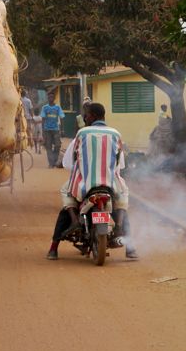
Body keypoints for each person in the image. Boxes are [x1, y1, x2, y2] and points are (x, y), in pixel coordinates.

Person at [46, 102, 138, 260]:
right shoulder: (116, 134)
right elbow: (119, 164)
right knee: (122, 198)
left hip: (85, 184)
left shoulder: (82, 134)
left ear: (93, 116)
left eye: (86, 115)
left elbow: (70, 162)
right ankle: (129, 247)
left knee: (67, 195)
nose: (85, 118)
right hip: (110, 184)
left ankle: (55, 246)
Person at [40, 92, 65, 168]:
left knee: (57, 145)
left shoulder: (58, 107)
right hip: (47, 130)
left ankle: (54, 160)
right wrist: (43, 131)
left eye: (52, 97)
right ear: (48, 98)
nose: (50, 98)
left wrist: (62, 129)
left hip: (56, 129)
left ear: (54, 98)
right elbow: (43, 119)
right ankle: (51, 163)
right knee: (48, 146)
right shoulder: (45, 108)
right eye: (49, 97)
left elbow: (61, 117)